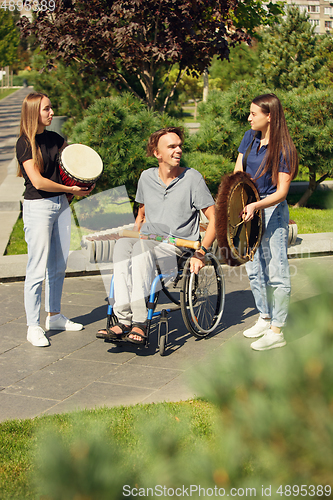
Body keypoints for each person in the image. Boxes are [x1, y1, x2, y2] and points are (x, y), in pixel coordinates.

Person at [97, 126, 216, 345]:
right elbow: (141, 215)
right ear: (157, 153)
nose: (178, 150)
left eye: (180, 146)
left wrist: (201, 253)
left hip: (175, 248)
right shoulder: (146, 177)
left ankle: (140, 322)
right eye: (172, 146)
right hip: (148, 240)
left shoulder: (192, 179)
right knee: (123, 246)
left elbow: (214, 219)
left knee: (143, 248)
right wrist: (132, 236)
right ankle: (123, 320)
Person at [16, 92, 94, 347]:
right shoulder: (24, 143)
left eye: (51, 108)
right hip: (38, 207)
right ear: (33, 113)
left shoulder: (55, 139)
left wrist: (83, 181)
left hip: (60, 205)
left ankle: (54, 316)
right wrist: (70, 190)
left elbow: (75, 162)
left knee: (59, 265)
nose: (51, 113)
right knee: (37, 269)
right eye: (47, 109)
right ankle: (33, 326)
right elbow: (37, 181)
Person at [234, 93, 298, 351]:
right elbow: (238, 170)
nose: (249, 118)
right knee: (254, 268)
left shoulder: (284, 149)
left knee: (277, 271)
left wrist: (256, 205)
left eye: (253, 114)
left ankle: (277, 331)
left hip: (271, 210)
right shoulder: (250, 137)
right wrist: (236, 201)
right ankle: (265, 316)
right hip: (248, 208)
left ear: (269, 116)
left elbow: (281, 192)